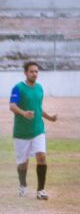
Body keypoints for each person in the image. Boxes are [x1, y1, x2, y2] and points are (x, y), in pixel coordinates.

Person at [9, 61, 57, 199]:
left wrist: (50, 117)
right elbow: (12, 106)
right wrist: (24, 113)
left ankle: (41, 190)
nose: (34, 74)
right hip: (21, 132)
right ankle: (23, 186)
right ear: (25, 73)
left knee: (41, 156)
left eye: (36, 71)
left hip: (38, 130)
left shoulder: (39, 88)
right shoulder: (18, 88)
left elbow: (38, 108)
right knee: (22, 164)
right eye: (31, 71)